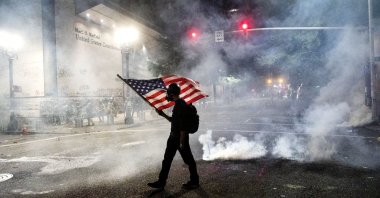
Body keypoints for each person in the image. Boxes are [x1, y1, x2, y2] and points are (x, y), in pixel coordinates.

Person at [148, 83, 199, 190]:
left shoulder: (180, 105)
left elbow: (183, 127)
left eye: (168, 93)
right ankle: (161, 182)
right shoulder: (178, 104)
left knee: (188, 160)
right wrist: (162, 114)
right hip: (174, 137)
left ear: (171, 93)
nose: (167, 95)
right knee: (167, 160)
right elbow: (174, 121)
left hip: (179, 138)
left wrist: (181, 142)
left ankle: (194, 181)